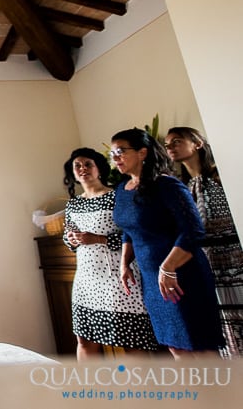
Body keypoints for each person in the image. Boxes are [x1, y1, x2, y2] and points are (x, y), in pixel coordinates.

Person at [110, 128, 224, 358]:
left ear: (142, 153)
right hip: (152, 280)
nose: (116, 158)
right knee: (175, 345)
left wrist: (168, 267)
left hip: (183, 275)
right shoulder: (122, 190)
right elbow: (129, 230)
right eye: (112, 153)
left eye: (121, 151)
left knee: (199, 345)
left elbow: (193, 231)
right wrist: (124, 264)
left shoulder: (167, 185)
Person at [61, 147, 158, 360]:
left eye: (88, 164)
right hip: (86, 277)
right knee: (85, 339)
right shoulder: (73, 204)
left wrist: (98, 239)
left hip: (118, 276)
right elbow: (67, 237)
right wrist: (72, 239)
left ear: (99, 169)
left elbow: (133, 233)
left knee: (131, 339)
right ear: (73, 173)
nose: (82, 169)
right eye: (77, 166)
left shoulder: (118, 196)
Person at [165, 126, 243, 357]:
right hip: (205, 262)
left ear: (197, 143)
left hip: (234, 256)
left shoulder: (221, 176)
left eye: (177, 141)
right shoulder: (180, 186)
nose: (170, 147)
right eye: (167, 145)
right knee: (222, 320)